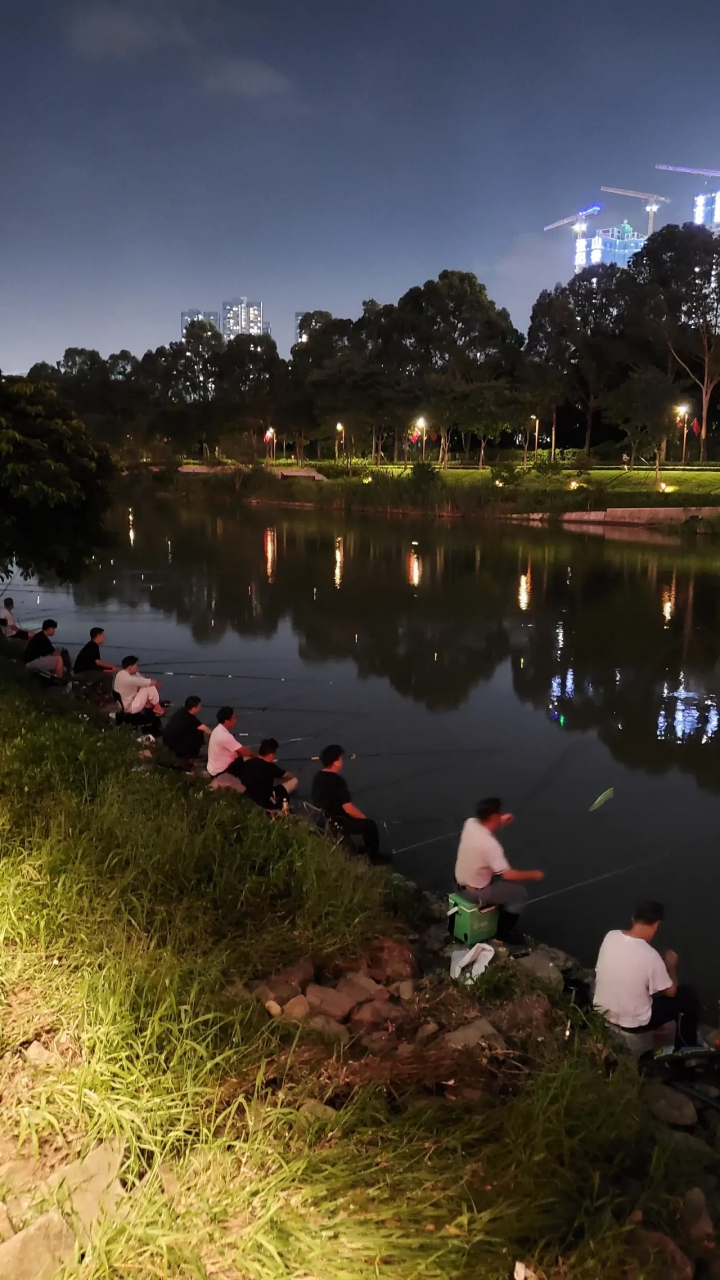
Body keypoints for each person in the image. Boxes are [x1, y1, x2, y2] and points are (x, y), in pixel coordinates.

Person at [594, 901, 699, 1047]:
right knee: (687, 996)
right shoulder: (651, 956)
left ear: (633, 919)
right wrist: (671, 966)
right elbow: (671, 992)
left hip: (602, 1013)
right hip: (633, 1023)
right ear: (657, 925)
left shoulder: (611, 936)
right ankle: (686, 1049)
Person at [454, 797, 544, 943]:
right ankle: (502, 935)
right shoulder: (490, 845)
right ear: (493, 816)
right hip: (474, 893)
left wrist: (501, 820)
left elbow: (487, 823)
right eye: (499, 813)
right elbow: (509, 875)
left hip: (458, 884)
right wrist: (535, 874)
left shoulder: (470, 823)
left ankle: (495, 910)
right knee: (519, 894)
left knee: (498, 877)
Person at [311, 744, 387, 863]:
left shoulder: (318, 777)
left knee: (364, 823)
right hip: (338, 822)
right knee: (370, 825)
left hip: (324, 821)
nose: (342, 761)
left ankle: (356, 848)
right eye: (340, 758)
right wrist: (363, 818)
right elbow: (348, 808)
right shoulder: (337, 781)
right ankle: (374, 857)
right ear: (335, 762)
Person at [240, 738, 298, 811]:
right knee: (294, 781)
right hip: (265, 800)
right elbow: (288, 775)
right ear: (271, 755)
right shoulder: (271, 767)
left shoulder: (247, 763)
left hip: (248, 796)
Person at [162, 696, 211, 767]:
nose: (200, 707)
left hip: (167, 741)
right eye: (199, 705)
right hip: (176, 745)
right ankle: (190, 757)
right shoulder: (190, 718)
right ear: (194, 708)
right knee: (198, 733)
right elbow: (205, 728)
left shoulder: (181, 712)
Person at [207, 707, 253, 779]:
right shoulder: (225, 736)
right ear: (227, 721)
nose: (235, 720)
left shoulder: (217, 730)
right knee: (249, 763)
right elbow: (246, 752)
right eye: (234, 718)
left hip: (213, 768)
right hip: (220, 771)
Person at [73, 628, 118, 692]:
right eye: (103, 636)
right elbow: (98, 662)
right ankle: (106, 696)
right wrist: (113, 667)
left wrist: (106, 669)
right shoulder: (93, 646)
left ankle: (93, 691)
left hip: (83, 671)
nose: (104, 638)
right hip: (81, 673)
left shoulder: (91, 645)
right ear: (98, 636)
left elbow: (92, 664)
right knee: (107, 676)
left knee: (105, 672)